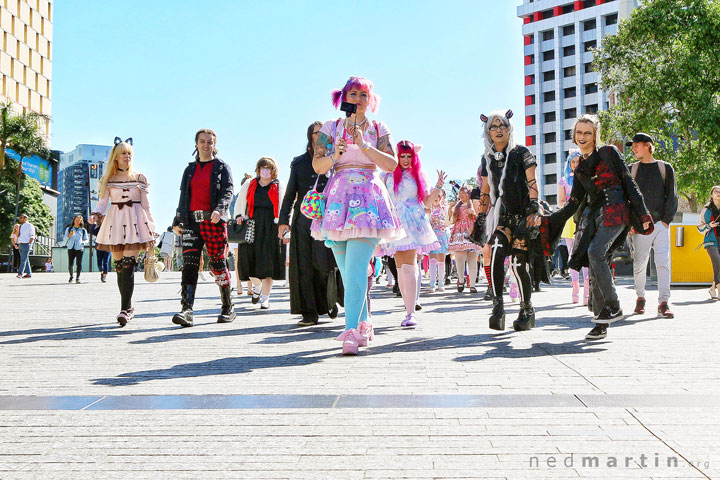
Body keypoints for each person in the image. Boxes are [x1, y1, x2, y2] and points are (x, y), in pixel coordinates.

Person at [311, 76, 403, 355]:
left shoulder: (378, 128)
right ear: (343, 98)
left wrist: (364, 146)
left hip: (368, 199)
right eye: (353, 94)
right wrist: (334, 155)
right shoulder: (331, 127)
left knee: (355, 267)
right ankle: (364, 323)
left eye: (364, 94)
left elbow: (390, 164)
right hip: (337, 198)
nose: (359, 99)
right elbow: (318, 165)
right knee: (349, 270)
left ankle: (351, 331)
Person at [548, 115, 653, 340]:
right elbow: (573, 203)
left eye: (587, 132)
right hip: (595, 217)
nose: (583, 137)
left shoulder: (608, 153)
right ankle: (600, 322)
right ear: (574, 136)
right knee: (594, 263)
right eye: (579, 133)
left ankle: (613, 304)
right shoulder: (580, 168)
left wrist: (643, 213)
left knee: (596, 253)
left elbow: (628, 182)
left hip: (617, 211)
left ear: (595, 134)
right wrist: (550, 219)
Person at [475, 110, 541, 332]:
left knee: (518, 264)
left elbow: (532, 182)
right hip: (501, 216)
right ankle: (498, 307)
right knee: (495, 252)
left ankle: (526, 309)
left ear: (509, 128)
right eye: (494, 126)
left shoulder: (522, 152)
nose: (499, 129)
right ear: (488, 132)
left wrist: (533, 208)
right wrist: (481, 217)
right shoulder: (487, 158)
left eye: (503, 125)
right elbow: (485, 190)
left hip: (523, 214)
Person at [278, 121, 343, 326]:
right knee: (304, 266)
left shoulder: (337, 159)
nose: (322, 136)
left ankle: (329, 301)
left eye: (325, 133)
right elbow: (290, 194)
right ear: (310, 136)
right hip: (304, 220)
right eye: (317, 133)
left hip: (329, 218)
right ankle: (309, 312)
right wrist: (283, 222)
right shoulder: (299, 163)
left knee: (326, 265)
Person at [90, 137, 157, 326]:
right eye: (123, 153)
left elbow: (146, 204)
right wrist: (95, 215)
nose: (127, 156)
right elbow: (103, 203)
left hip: (135, 222)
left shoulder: (139, 178)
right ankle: (127, 307)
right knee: (118, 267)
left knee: (128, 265)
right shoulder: (108, 180)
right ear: (116, 157)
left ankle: (125, 309)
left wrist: (151, 224)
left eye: (129, 153)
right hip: (115, 222)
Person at [172, 129, 235, 327]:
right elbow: (184, 195)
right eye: (202, 141)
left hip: (214, 221)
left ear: (215, 145)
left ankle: (227, 306)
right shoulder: (189, 169)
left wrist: (220, 209)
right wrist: (177, 219)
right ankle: (187, 310)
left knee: (217, 263)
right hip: (192, 222)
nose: (206, 145)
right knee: (189, 265)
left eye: (210, 142)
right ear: (196, 144)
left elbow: (228, 191)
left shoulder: (222, 167)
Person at [380, 140, 444, 326]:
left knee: (409, 266)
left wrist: (439, 186)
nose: (406, 160)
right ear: (396, 156)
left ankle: (410, 313)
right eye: (402, 156)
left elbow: (426, 202)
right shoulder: (387, 175)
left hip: (413, 222)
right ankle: (409, 309)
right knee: (401, 268)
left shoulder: (418, 176)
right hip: (394, 222)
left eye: (409, 156)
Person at [625, 133, 678, 318]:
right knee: (640, 264)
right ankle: (640, 298)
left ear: (648, 145)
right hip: (639, 226)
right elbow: (628, 200)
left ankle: (664, 302)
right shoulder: (631, 169)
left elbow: (672, 196)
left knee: (663, 263)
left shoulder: (665, 168)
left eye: (637, 145)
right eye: (632, 145)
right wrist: (631, 223)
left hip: (661, 224)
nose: (634, 148)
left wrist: (665, 221)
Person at [234, 157, 286, 310]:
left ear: (273, 170)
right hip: (252, 225)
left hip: (271, 226)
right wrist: (238, 216)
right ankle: (256, 286)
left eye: (268, 168)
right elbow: (240, 202)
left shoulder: (279, 185)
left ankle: (266, 298)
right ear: (258, 169)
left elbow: (285, 205)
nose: (265, 171)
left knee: (269, 263)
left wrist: (284, 225)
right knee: (249, 260)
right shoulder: (250, 184)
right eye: (262, 167)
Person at [558, 149, 589, 304]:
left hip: (585, 216)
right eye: (573, 162)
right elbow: (560, 201)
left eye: (578, 161)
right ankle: (575, 287)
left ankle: (587, 289)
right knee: (572, 253)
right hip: (570, 218)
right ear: (569, 164)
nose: (575, 164)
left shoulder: (588, 177)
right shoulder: (563, 180)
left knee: (586, 252)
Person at [448, 184, 479, 293]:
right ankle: (461, 280)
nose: (461, 195)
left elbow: (480, 217)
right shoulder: (457, 206)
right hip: (459, 232)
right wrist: (450, 210)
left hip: (471, 231)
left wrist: (474, 213)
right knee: (460, 258)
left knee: (473, 258)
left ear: (469, 194)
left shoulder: (474, 204)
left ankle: (473, 285)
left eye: (463, 193)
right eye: (460, 193)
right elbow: (451, 221)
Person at [698, 185, 720, 300]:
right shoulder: (706, 210)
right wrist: (709, 226)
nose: (718, 193)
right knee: (718, 264)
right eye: (716, 191)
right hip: (711, 241)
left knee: (717, 267)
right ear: (711, 195)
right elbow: (699, 228)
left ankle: (712, 289)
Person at [428, 189, 450, 292]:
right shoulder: (429, 208)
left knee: (441, 259)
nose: (436, 199)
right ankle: (432, 283)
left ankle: (441, 282)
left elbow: (448, 222)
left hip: (441, 235)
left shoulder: (444, 208)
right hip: (431, 235)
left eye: (438, 196)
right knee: (432, 259)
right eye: (434, 196)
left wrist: (440, 221)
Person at [63, 214, 89, 283]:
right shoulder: (69, 229)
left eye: (79, 220)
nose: (78, 221)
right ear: (74, 220)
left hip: (79, 248)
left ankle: (78, 277)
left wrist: (83, 242)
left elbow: (86, 239)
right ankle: (71, 276)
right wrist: (69, 235)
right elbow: (65, 238)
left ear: (81, 221)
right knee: (70, 264)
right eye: (76, 220)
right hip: (71, 247)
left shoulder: (83, 230)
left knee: (79, 263)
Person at [89, 214, 111, 282]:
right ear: (101, 220)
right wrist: (94, 223)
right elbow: (92, 232)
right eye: (102, 219)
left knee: (106, 261)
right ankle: (101, 271)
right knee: (99, 261)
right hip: (99, 245)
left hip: (108, 245)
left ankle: (104, 276)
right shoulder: (99, 227)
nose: (104, 220)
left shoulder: (111, 227)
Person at [15, 214, 35, 278]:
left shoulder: (30, 225)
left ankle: (20, 273)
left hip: (26, 244)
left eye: (21, 218)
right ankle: (29, 273)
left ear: (25, 219)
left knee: (23, 260)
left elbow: (32, 236)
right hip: (20, 244)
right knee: (25, 259)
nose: (20, 219)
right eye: (19, 217)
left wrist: (29, 244)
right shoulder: (20, 226)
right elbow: (19, 235)